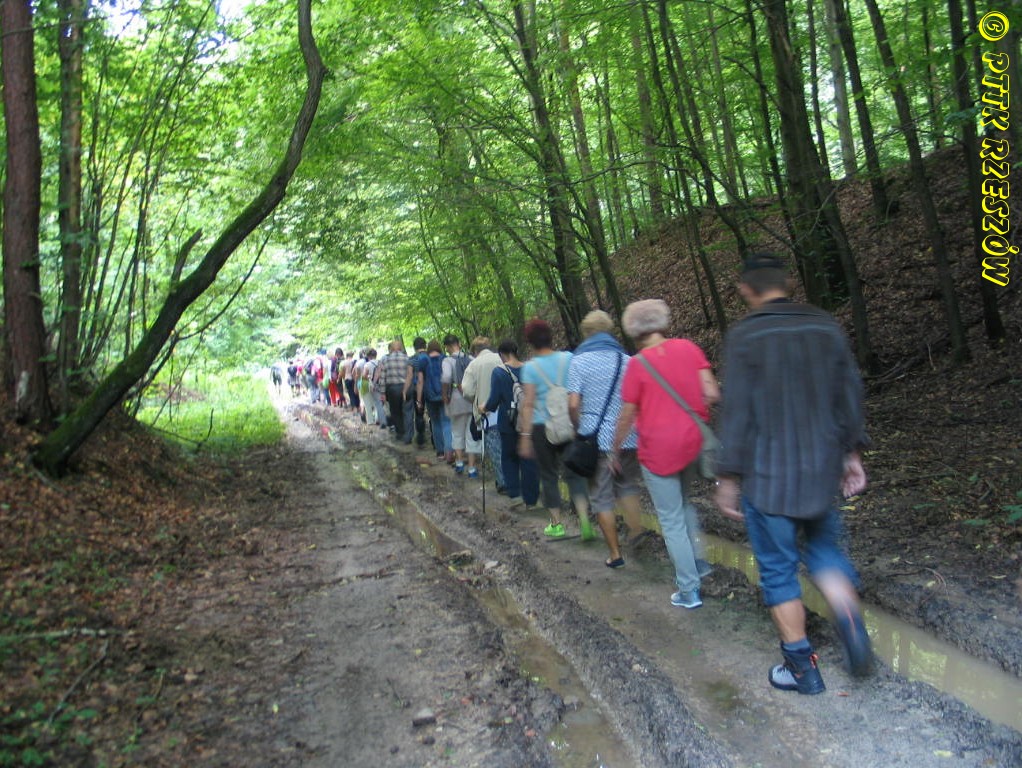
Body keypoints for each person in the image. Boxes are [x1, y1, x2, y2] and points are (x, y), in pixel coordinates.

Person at [713, 253, 872, 695]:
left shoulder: (745, 335)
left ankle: (802, 669)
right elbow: (849, 393)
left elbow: (738, 411)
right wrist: (852, 453)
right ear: (787, 283)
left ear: (746, 289)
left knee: (778, 569)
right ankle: (850, 621)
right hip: (821, 469)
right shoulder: (824, 326)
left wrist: (728, 477)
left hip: (768, 475)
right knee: (824, 550)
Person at [611, 300, 719, 609]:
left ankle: (689, 589)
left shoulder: (637, 365)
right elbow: (712, 393)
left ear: (633, 330)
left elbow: (627, 415)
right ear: (662, 322)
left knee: (671, 519)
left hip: (659, 451)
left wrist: (615, 449)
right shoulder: (688, 348)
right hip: (692, 444)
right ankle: (699, 562)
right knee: (684, 504)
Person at [568, 311, 645, 567]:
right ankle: (636, 532)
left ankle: (615, 554)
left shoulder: (579, 362)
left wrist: (578, 426)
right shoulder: (627, 360)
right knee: (627, 485)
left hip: (597, 439)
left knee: (601, 497)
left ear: (587, 333)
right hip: (628, 437)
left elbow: (573, 404)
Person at [517, 318, 589, 539]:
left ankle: (557, 524)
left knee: (548, 475)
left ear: (530, 342)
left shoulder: (530, 368)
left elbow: (528, 404)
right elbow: (577, 391)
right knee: (574, 473)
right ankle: (585, 521)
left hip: (541, 427)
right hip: (568, 422)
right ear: (550, 336)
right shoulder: (568, 358)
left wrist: (525, 437)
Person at [483, 340, 539, 509]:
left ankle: (515, 494)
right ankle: (531, 499)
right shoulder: (528, 368)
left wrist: (483, 407)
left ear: (502, 354)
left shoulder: (499, 372)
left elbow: (494, 400)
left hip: (508, 421)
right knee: (528, 459)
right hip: (528, 420)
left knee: (509, 457)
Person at [462, 337, 504, 488]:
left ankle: (503, 482)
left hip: (487, 413)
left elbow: (467, 391)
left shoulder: (473, 365)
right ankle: (514, 479)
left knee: (495, 448)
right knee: (509, 446)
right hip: (507, 410)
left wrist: (476, 398)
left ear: (474, 350)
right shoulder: (501, 358)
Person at [442, 334, 480, 475]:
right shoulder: (470, 358)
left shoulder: (447, 361)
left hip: (456, 400)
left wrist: (444, 395)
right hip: (471, 400)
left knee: (457, 433)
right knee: (471, 434)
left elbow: (446, 377)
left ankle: (459, 463)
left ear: (446, 347)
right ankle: (472, 468)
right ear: (459, 343)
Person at [421, 340, 453, 460]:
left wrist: (419, 399)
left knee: (435, 423)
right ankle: (449, 451)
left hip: (430, 397)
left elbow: (420, 381)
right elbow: (449, 377)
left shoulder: (423, 360)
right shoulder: (445, 359)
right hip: (445, 395)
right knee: (447, 422)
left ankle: (440, 452)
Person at [379, 340, 409, 440]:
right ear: (401, 348)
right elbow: (411, 375)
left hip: (392, 389)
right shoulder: (407, 358)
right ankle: (407, 431)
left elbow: (382, 377)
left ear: (391, 349)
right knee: (406, 410)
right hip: (405, 388)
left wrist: (382, 392)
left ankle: (400, 432)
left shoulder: (386, 360)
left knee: (395, 411)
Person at [404, 337, 429, 447]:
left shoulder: (412, 359)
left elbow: (409, 376)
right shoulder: (430, 357)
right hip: (431, 388)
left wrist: (404, 390)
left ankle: (420, 437)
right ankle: (435, 439)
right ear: (425, 345)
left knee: (419, 413)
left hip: (417, 389)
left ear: (414, 347)